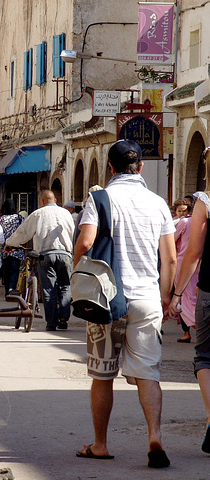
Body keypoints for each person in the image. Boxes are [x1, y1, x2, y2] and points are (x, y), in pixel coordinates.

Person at [75, 139, 176, 468]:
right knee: (149, 373)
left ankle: (101, 444)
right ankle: (154, 436)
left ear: (110, 167)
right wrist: (165, 295)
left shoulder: (100, 198)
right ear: (141, 167)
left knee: (103, 375)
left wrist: (77, 272)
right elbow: (170, 259)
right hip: (148, 297)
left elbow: (86, 242)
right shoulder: (158, 203)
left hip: (107, 300)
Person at [167, 180, 210, 454]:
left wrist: (177, 293)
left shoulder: (206, 201)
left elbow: (194, 252)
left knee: (205, 356)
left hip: (209, 290)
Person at [6, 190, 75, 331]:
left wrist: (9, 243)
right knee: (65, 287)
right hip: (65, 254)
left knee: (49, 289)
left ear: (42, 201)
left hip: (45, 254)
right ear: (55, 200)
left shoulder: (38, 214)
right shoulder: (66, 213)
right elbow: (73, 233)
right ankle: (63, 318)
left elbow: (22, 233)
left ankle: (51, 323)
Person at [172, 196, 196, 343]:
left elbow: (171, 240)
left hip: (181, 261)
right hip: (196, 263)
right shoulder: (199, 221)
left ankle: (189, 327)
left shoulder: (183, 223)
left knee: (180, 294)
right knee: (192, 294)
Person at [0, 199, 25, 295]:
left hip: (5, 248)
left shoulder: (1, 219)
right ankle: (11, 288)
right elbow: (24, 230)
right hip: (16, 248)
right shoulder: (19, 218)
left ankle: (6, 291)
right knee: (15, 270)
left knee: (6, 271)